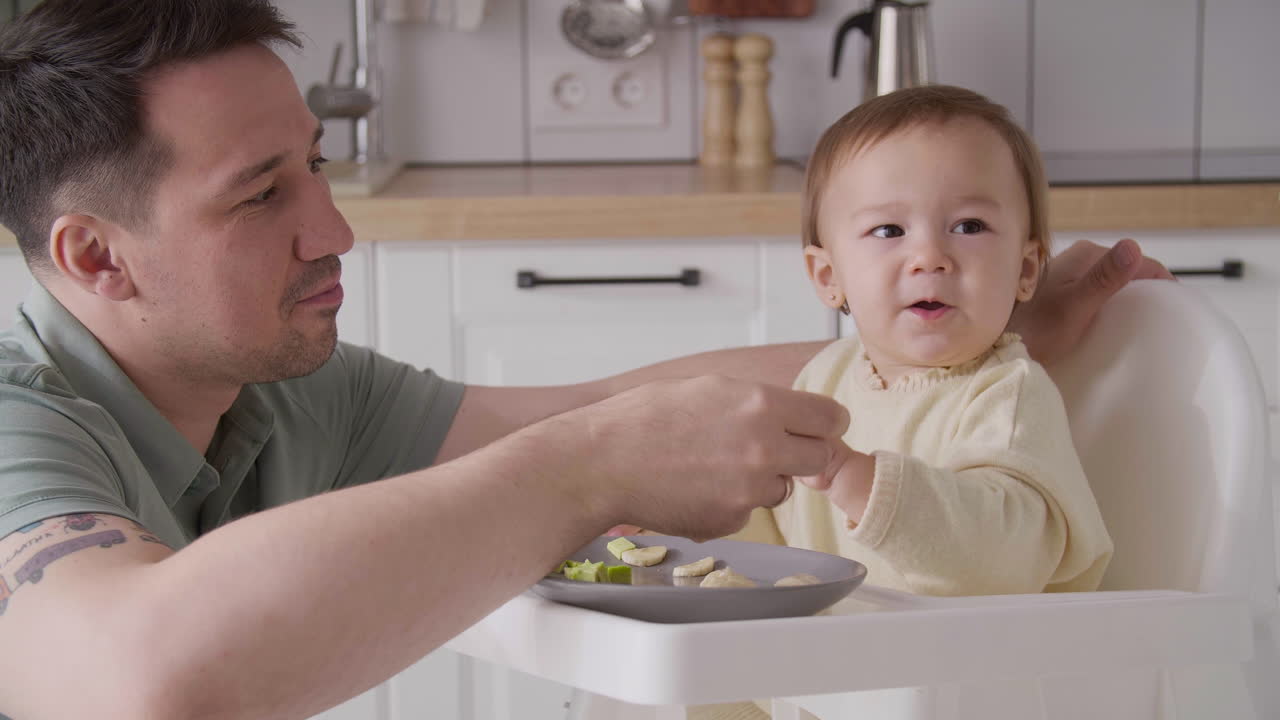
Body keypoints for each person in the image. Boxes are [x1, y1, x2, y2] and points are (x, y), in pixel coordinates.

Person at [0, 2, 1168, 719]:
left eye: (314, 165)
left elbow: (602, 408)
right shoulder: (16, 421)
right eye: (263, 195)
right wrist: (584, 470)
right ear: (96, 259)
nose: (335, 228)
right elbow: (140, 686)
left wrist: (927, 348)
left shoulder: (273, 392)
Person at [765, 85, 1113, 596]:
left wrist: (863, 484)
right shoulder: (826, 378)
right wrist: (689, 531)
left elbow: (999, 562)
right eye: (888, 231)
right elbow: (779, 530)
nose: (929, 256)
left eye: (969, 226)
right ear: (827, 275)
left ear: (1025, 268)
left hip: (975, 670)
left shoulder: (1006, 396)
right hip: (846, 664)